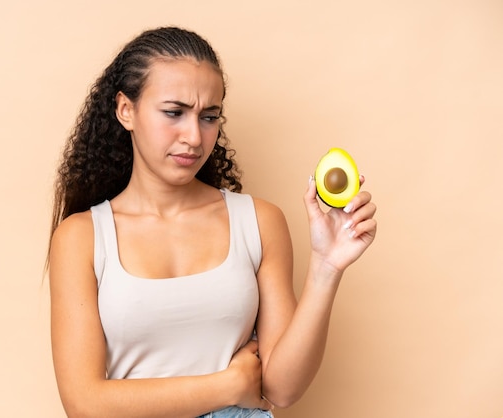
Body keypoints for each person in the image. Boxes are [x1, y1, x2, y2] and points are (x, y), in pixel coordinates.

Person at [47, 26, 377, 418]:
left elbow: (282, 389)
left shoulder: (259, 221)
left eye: (209, 117)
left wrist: (327, 267)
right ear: (126, 110)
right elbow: (84, 406)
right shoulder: (82, 237)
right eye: (174, 112)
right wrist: (225, 386)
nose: (194, 136)